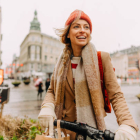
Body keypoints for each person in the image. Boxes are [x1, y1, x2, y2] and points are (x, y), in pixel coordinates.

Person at [38, 10, 138, 140]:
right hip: (63, 133)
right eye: (76, 26)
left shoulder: (101, 59)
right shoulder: (61, 63)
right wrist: (47, 107)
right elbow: (52, 90)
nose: (82, 30)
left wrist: (127, 124)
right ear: (68, 33)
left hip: (92, 133)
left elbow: (116, 95)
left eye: (86, 27)